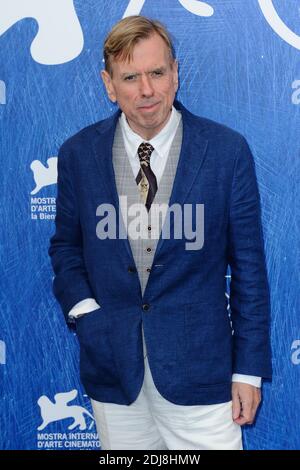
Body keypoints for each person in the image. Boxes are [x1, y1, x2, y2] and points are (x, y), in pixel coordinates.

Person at [48, 15, 272, 450]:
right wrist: (87, 312)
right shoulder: (78, 154)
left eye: (156, 72)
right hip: (114, 373)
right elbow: (65, 247)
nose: (146, 90)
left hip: (201, 377)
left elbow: (249, 269)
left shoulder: (226, 151)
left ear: (175, 73)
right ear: (109, 85)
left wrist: (247, 370)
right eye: (130, 77)